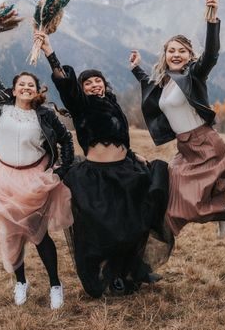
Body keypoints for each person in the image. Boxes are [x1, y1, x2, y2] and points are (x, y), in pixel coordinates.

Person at [34, 31, 173, 298]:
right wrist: (50, 51)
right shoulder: (81, 106)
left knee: (135, 223)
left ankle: (131, 270)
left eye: (98, 81)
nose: (95, 85)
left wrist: (133, 156)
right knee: (107, 231)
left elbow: (121, 137)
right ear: (83, 89)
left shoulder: (113, 104)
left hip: (125, 171)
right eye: (89, 83)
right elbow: (65, 84)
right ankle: (110, 275)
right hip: (96, 177)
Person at [129, 0, 225, 245]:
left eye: (181, 51)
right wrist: (135, 67)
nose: (175, 55)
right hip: (185, 149)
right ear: (165, 55)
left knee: (191, 205)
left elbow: (212, 55)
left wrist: (212, 19)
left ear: (189, 56)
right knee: (174, 202)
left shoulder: (193, 75)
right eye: (171, 50)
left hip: (206, 145)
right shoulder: (164, 81)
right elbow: (147, 82)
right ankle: (218, 212)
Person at [0, 31, 74, 309]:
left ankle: (55, 284)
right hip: (3, 178)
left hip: (34, 180)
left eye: (31, 84)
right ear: (13, 89)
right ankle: (20, 282)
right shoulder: (0, 107)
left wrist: (61, 171)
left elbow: (66, 141)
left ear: (37, 90)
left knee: (38, 233)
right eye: (21, 84)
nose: (26, 87)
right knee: (11, 233)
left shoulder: (44, 114)